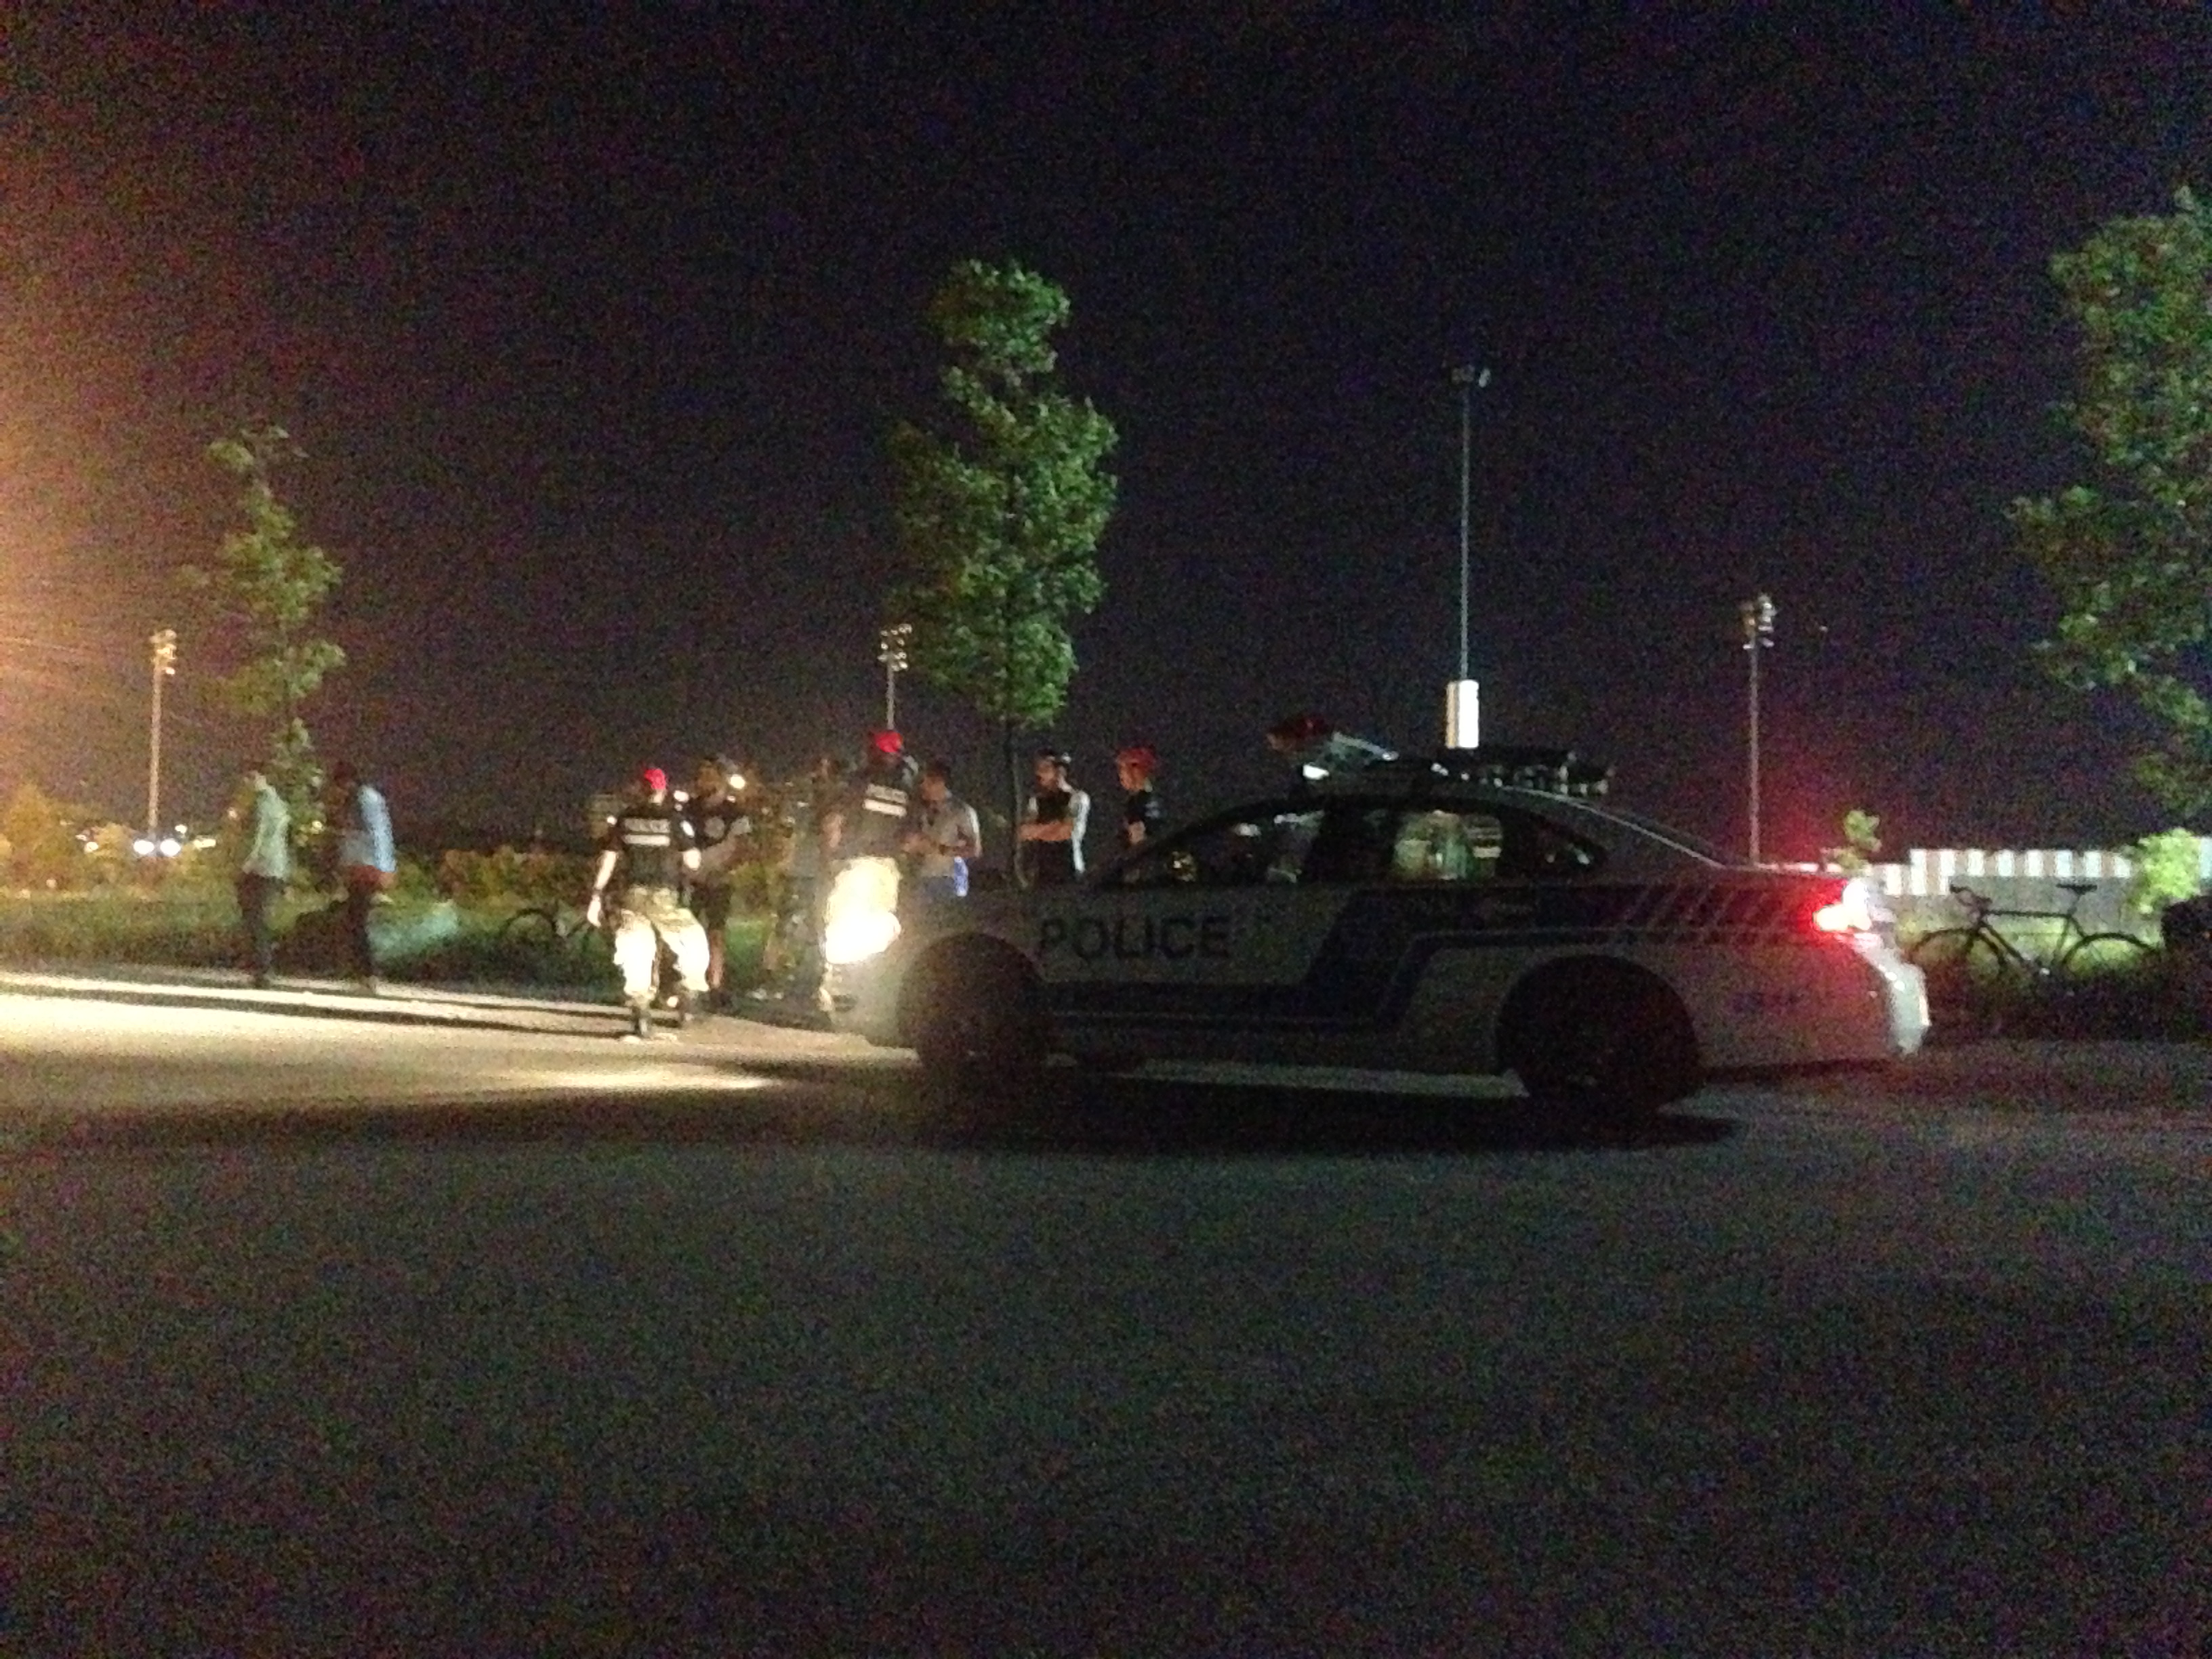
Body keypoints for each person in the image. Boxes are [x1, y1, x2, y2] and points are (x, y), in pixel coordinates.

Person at [586, 764, 711, 1040]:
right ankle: (688, 1000)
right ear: (663, 790)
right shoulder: (674, 820)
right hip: (665, 898)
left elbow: (608, 859)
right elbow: (693, 862)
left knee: (636, 950)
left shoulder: (625, 819)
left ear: (641, 789)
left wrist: (596, 896)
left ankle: (641, 1013)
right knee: (693, 942)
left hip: (633, 896)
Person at [683, 754, 756, 1008]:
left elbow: (744, 849)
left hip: (719, 881)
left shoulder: (734, 812)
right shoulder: (689, 809)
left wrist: (722, 871)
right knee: (683, 931)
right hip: (690, 880)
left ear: (721, 778)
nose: (702, 780)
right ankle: (682, 982)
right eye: (700, 775)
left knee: (715, 934)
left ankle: (715, 985)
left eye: (709, 775)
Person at [325, 760, 396, 994]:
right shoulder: (364, 799)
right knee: (355, 922)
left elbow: (374, 835)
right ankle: (364, 974)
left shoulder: (364, 800)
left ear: (347, 781)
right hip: (364, 868)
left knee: (357, 923)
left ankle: (368, 976)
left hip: (366, 869)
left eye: (339, 785)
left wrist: (381, 869)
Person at [234, 762, 291, 989]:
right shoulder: (280, 803)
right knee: (262, 920)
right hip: (276, 868)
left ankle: (262, 970)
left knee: (255, 921)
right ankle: (262, 968)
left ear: (258, 777)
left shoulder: (260, 803)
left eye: (249, 778)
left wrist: (244, 865)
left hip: (259, 867)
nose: (246, 783)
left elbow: (256, 838)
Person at [903, 758, 981, 905]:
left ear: (939, 783)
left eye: (926, 782)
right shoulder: (921, 810)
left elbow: (974, 850)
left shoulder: (961, 811)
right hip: (920, 879)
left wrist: (939, 849)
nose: (922, 786)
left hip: (947, 881)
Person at [1017, 747, 1089, 887]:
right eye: (1038, 769)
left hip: (1070, 870)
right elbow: (1024, 832)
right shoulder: (1036, 801)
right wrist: (1053, 827)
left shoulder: (1078, 798)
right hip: (1042, 872)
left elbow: (1067, 832)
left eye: (1045, 768)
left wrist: (1038, 831)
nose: (1039, 773)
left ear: (1060, 771)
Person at [1114, 744, 1163, 853]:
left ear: (1136, 771)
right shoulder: (1156, 799)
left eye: (1123, 771)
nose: (1121, 777)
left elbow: (1138, 839)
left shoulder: (1135, 803)